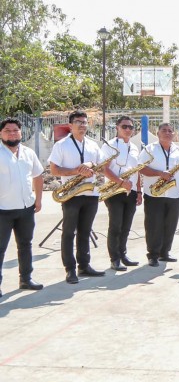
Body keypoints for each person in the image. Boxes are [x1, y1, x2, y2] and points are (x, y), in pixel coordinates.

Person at [48, 110, 105, 284]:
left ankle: (84, 265)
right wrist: (76, 171)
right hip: (71, 194)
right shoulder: (61, 145)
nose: (82, 125)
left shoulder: (93, 145)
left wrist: (91, 165)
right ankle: (70, 269)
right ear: (71, 125)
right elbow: (54, 169)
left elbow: (101, 167)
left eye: (85, 122)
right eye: (78, 122)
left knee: (85, 231)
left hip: (90, 193)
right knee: (68, 233)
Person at [0, 117, 44, 296]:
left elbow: (38, 175)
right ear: (1, 134)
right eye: (7, 131)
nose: (12, 133)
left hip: (26, 208)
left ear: (21, 132)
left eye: (15, 130)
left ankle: (26, 278)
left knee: (25, 245)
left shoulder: (28, 152)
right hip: (3, 209)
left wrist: (38, 199)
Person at [138, 123, 179, 267]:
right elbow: (141, 168)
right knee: (153, 225)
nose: (167, 133)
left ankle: (165, 252)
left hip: (174, 194)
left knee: (170, 225)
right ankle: (153, 255)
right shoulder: (149, 149)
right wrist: (159, 174)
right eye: (164, 130)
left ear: (174, 134)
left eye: (170, 131)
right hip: (154, 194)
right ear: (158, 133)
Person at [101, 116, 142, 271]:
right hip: (113, 191)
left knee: (126, 226)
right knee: (115, 226)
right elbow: (104, 168)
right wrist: (120, 182)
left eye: (130, 127)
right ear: (117, 127)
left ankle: (123, 254)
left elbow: (137, 170)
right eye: (124, 126)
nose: (127, 130)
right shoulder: (109, 146)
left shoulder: (135, 147)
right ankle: (114, 259)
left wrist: (139, 191)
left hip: (130, 191)